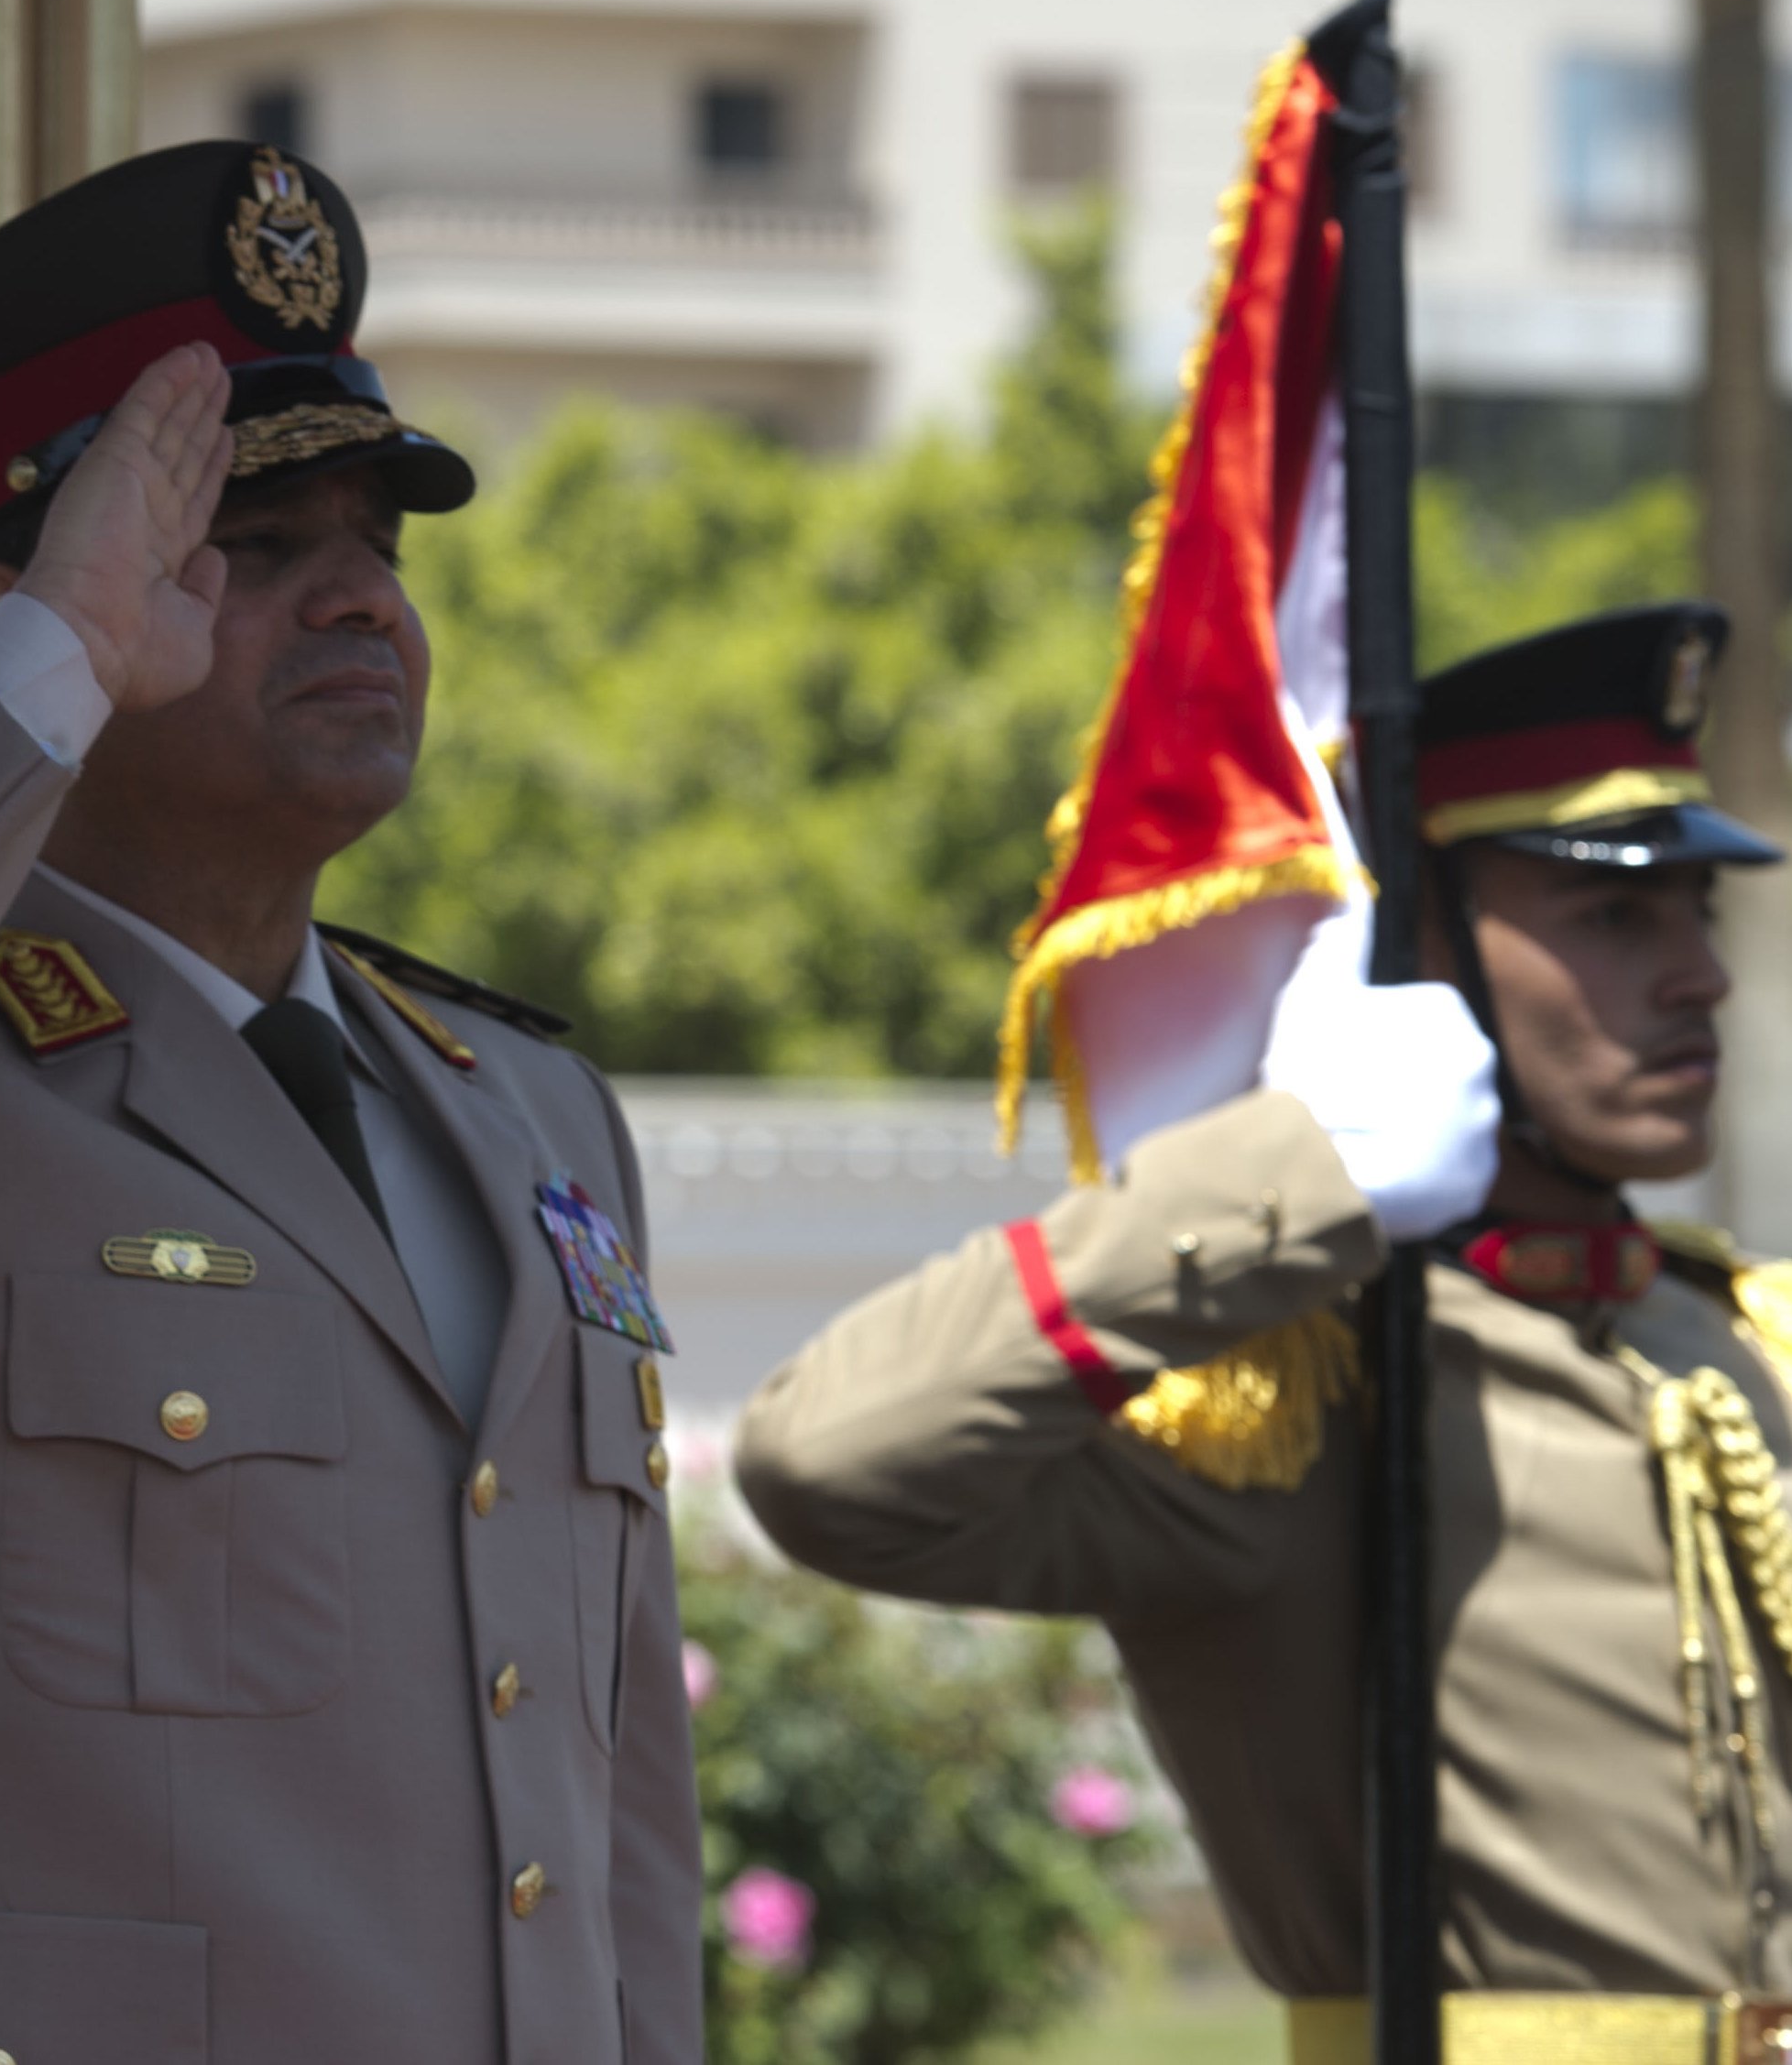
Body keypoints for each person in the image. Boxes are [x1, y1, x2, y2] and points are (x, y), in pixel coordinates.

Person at [0, 143, 701, 2065]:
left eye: (380, 541)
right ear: (13, 616)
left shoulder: (531, 1115)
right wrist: (53, 674)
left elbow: (626, 1817)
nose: (357, 597)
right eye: (250, 545)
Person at [734, 603, 1792, 2060]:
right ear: (1414, 949)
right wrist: (1288, 1170)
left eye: (1697, 911)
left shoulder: (1736, 1336)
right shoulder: (1289, 1394)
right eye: (1613, 914)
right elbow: (825, 1459)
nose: (1698, 975)